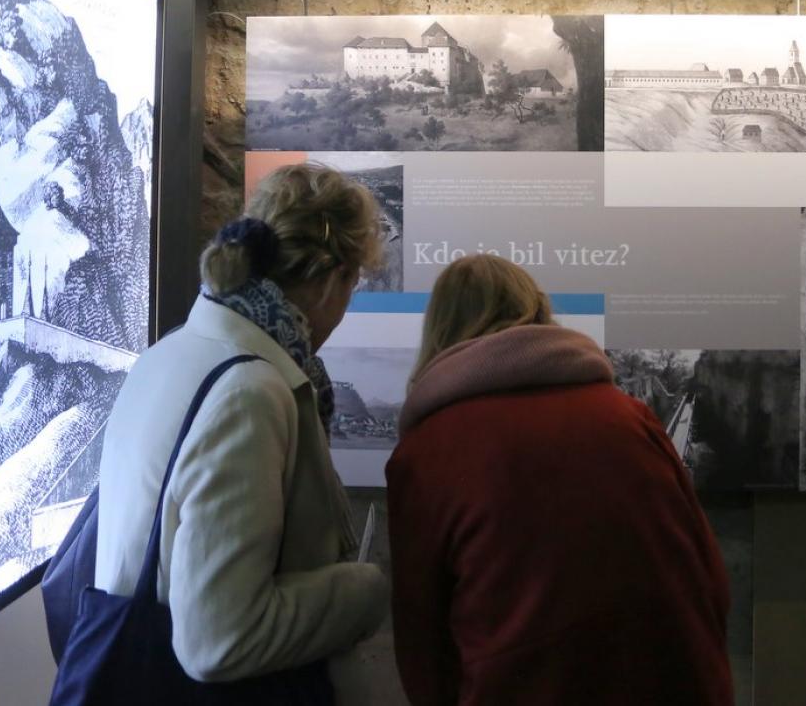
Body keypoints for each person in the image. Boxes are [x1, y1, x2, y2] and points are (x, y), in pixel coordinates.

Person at [94, 163, 390, 700]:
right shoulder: (248, 392)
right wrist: (363, 590)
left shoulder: (169, 354)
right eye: (354, 285)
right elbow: (221, 639)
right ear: (332, 279)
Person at [386, 254, 733, 705]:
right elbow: (709, 574)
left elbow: (423, 641)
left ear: (440, 328)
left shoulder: (427, 453)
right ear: (536, 310)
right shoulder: (631, 418)